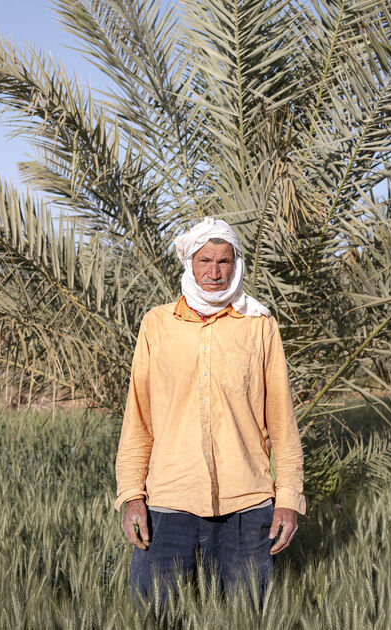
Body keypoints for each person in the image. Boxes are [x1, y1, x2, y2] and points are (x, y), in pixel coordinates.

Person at [115, 216, 306, 607]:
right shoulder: (157, 324)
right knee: (155, 616)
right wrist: (132, 494)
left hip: (247, 506)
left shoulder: (259, 325)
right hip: (168, 505)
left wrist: (287, 499)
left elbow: (282, 423)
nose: (214, 273)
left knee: (246, 615)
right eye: (205, 261)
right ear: (190, 264)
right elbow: (138, 421)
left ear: (236, 265)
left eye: (224, 262)